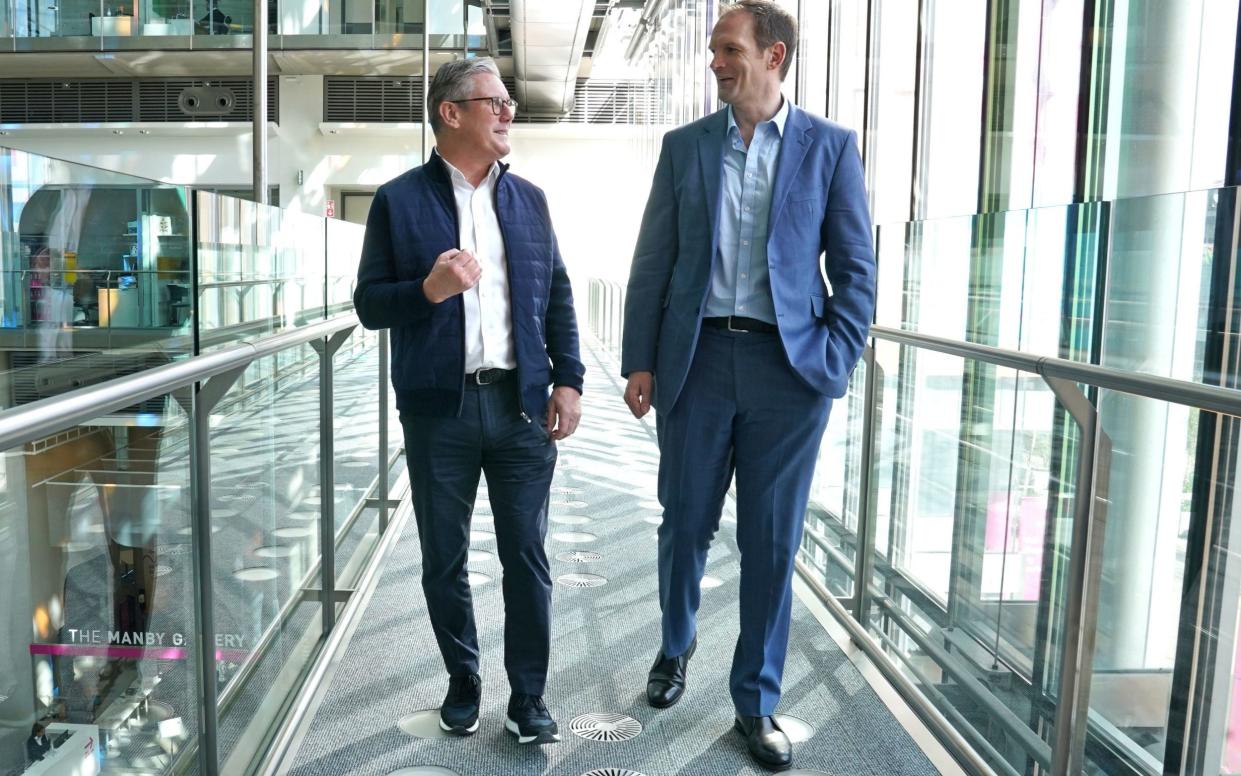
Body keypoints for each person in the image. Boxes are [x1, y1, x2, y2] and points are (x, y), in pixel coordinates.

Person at [620, 1, 876, 770]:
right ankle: (674, 648)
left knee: (771, 543)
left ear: (774, 57)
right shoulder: (684, 147)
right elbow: (652, 263)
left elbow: (856, 270)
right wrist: (641, 360)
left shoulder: (829, 148)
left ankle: (755, 702)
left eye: (728, 49)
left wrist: (831, 361)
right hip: (696, 365)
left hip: (788, 375)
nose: (714, 62)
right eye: (711, 50)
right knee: (683, 523)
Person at [354, 56, 583, 746]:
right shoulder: (398, 200)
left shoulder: (530, 199)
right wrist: (425, 292)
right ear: (450, 113)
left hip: (519, 410)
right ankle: (463, 680)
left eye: (509, 101)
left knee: (527, 558)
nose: (508, 111)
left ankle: (529, 698)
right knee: (444, 560)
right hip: (438, 412)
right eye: (494, 102)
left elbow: (559, 296)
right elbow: (368, 305)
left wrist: (568, 379)